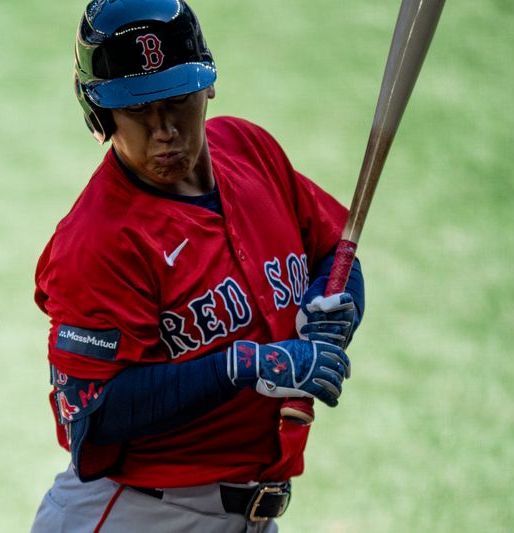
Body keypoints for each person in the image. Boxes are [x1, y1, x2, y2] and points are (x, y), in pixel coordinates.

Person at [31, 1, 365, 531]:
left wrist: (337, 312)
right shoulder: (98, 241)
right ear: (101, 115)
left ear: (207, 87)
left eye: (177, 99)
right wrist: (243, 366)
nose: (165, 129)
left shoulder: (250, 150)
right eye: (138, 110)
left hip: (252, 516)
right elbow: (90, 418)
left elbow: (334, 250)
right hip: (142, 514)